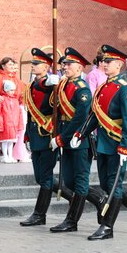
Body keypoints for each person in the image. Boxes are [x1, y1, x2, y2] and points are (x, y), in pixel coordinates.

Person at [72, 44, 127, 240]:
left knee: (114, 184)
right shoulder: (103, 87)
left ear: (119, 65)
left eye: (108, 62)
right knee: (107, 184)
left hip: (117, 144)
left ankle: (107, 227)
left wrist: (126, 145)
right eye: (103, 61)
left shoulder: (125, 89)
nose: (103, 64)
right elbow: (95, 116)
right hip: (104, 143)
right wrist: (81, 133)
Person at [49, 47, 108, 233]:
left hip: (78, 140)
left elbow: (80, 118)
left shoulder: (82, 89)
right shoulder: (64, 85)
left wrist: (61, 138)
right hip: (66, 138)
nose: (64, 67)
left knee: (80, 182)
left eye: (68, 64)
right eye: (64, 64)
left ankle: (71, 221)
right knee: (69, 182)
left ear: (79, 68)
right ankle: (99, 199)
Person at [19, 48, 62, 226]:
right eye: (33, 63)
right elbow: (30, 113)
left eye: (37, 64)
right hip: (35, 135)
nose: (33, 66)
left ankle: (39, 215)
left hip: (47, 134)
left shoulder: (49, 84)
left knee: (45, 178)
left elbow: (51, 97)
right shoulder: (30, 85)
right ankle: (76, 195)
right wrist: (27, 136)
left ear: (46, 67)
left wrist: (55, 84)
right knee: (40, 178)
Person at [0, 57, 24, 159]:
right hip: (3, 110)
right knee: (3, 133)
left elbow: (22, 92)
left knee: (15, 134)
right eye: (10, 65)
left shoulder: (16, 79)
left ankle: (14, 154)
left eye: (13, 65)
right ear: (3, 66)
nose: (12, 67)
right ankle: (6, 154)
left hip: (14, 110)